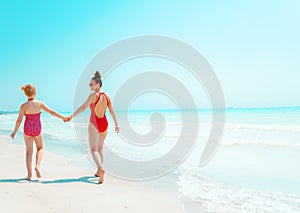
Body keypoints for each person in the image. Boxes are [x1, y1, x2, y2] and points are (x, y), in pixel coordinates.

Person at [64, 71, 119, 184]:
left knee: (93, 149)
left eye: (91, 84)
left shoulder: (93, 96)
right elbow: (112, 111)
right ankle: (99, 171)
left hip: (94, 123)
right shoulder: (107, 96)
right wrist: (116, 124)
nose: (90, 86)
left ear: (98, 84)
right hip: (105, 123)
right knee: (100, 148)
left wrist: (72, 116)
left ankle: (101, 169)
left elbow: (83, 107)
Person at [10, 84, 65, 181]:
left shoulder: (23, 106)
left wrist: (14, 132)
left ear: (25, 94)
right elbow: (52, 112)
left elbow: (19, 120)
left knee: (28, 152)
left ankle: (29, 174)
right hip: (37, 129)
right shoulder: (39, 104)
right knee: (40, 148)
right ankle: (37, 166)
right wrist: (63, 118)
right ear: (35, 93)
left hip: (27, 129)